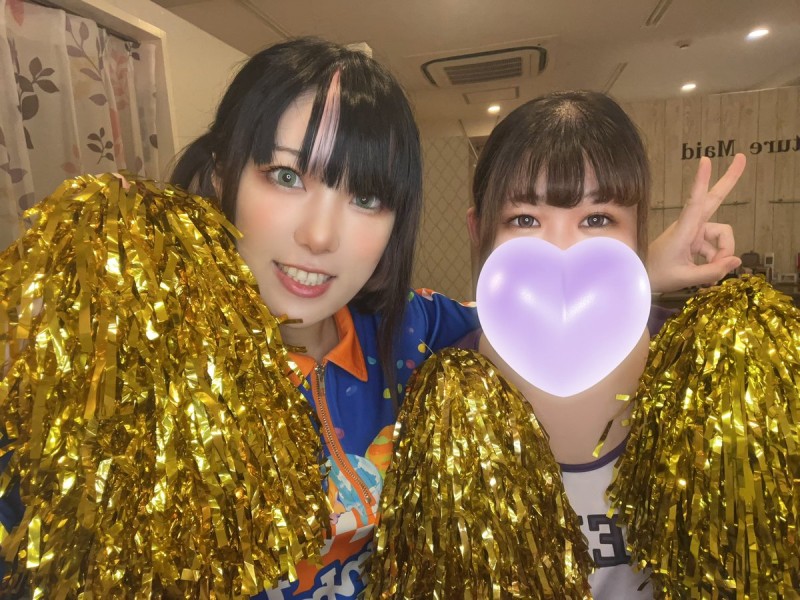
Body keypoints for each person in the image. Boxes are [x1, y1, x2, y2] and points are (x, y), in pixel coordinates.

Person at [0, 40, 745, 598]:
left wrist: (638, 266)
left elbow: (537, 306)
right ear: (223, 175)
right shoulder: (136, 361)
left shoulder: (413, 334)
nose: (320, 235)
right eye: (285, 175)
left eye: (366, 197)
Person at [369, 90, 750, 599]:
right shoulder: (443, 388)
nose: (561, 251)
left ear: (638, 230)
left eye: (598, 219)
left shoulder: (701, 367)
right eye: (525, 220)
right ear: (478, 231)